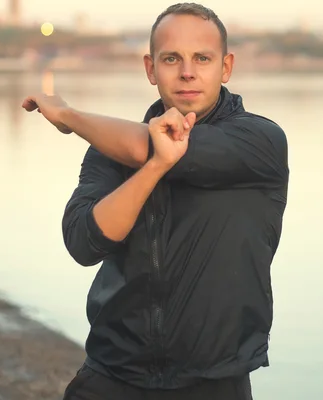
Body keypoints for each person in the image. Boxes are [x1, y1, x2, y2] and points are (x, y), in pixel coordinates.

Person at [22, 3, 289, 399]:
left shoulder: (259, 141)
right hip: (111, 375)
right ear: (150, 69)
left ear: (226, 67)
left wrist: (71, 117)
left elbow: (149, 146)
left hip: (214, 382)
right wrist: (152, 169)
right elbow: (84, 243)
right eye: (171, 58)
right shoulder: (109, 148)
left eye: (202, 58)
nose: (187, 72)